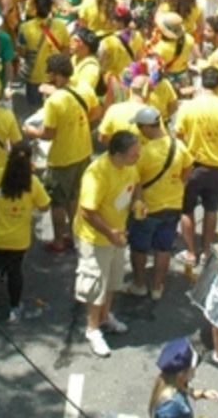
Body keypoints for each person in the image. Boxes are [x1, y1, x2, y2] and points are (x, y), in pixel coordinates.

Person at [73, 130, 141, 357]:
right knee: (96, 284)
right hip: (96, 238)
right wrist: (109, 232)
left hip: (117, 234)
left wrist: (138, 201)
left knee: (113, 280)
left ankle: (105, 316)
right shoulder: (97, 173)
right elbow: (87, 211)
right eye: (134, 154)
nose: (138, 157)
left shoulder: (129, 166)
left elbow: (136, 183)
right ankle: (92, 329)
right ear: (118, 154)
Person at [0, 140, 50, 323]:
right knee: (15, 272)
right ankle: (14, 308)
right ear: (31, 161)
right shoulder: (32, 182)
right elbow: (45, 207)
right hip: (18, 241)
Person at [23, 53, 96, 252]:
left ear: (56, 75)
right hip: (83, 152)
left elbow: (48, 134)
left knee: (57, 202)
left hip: (61, 158)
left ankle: (58, 239)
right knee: (74, 197)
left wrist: (31, 132)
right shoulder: (84, 88)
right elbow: (96, 112)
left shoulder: (54, 101)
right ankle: (75, 235)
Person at [174, 66, 218, 265]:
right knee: (212, 210)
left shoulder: (188, 107)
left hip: (192, 166)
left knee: (186, 210)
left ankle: (191, 252)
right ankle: (205, 251)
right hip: (217, 166)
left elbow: (177, 136)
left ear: (201, 82)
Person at [125, 106, 192, 301]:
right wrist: (178, 184)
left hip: (148, 208)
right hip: (173, 205)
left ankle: (139, 284)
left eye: (139, 126)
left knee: (139, 248)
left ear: (146, 127)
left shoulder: (144, 152)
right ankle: (157, 287)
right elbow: (187, 169)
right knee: (163, 248)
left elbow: (135, 181)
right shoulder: (179, 146)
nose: (138, 130)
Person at [147, 337, 218, 418]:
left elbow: (185, 391)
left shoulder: (174, 383)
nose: (195, 370)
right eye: (193, 367)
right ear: (181, 374)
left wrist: (203, 393)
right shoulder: (170, 407)